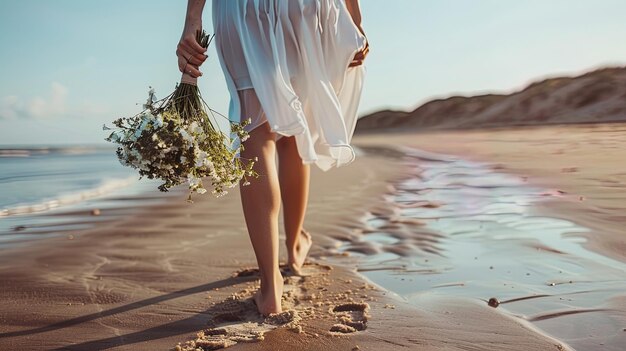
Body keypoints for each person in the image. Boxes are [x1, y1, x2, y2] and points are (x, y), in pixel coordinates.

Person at [176, 0, 368, 315]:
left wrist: (192, 19)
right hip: (302, 7)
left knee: (255, 137)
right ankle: (294, 249)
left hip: (240, 10)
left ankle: (270, 286)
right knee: (294, 130)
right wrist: (355, 20)